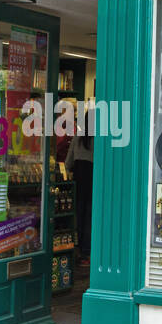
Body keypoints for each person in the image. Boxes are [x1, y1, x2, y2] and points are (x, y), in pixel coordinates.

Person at [66, 107, 94, 268]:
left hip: (79, 179)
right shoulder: (99, 139)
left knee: (79, 214)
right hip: (92, 181)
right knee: (90, 216)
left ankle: (77, 249)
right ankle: (87, 251)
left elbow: (69, 162)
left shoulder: (78, 137)